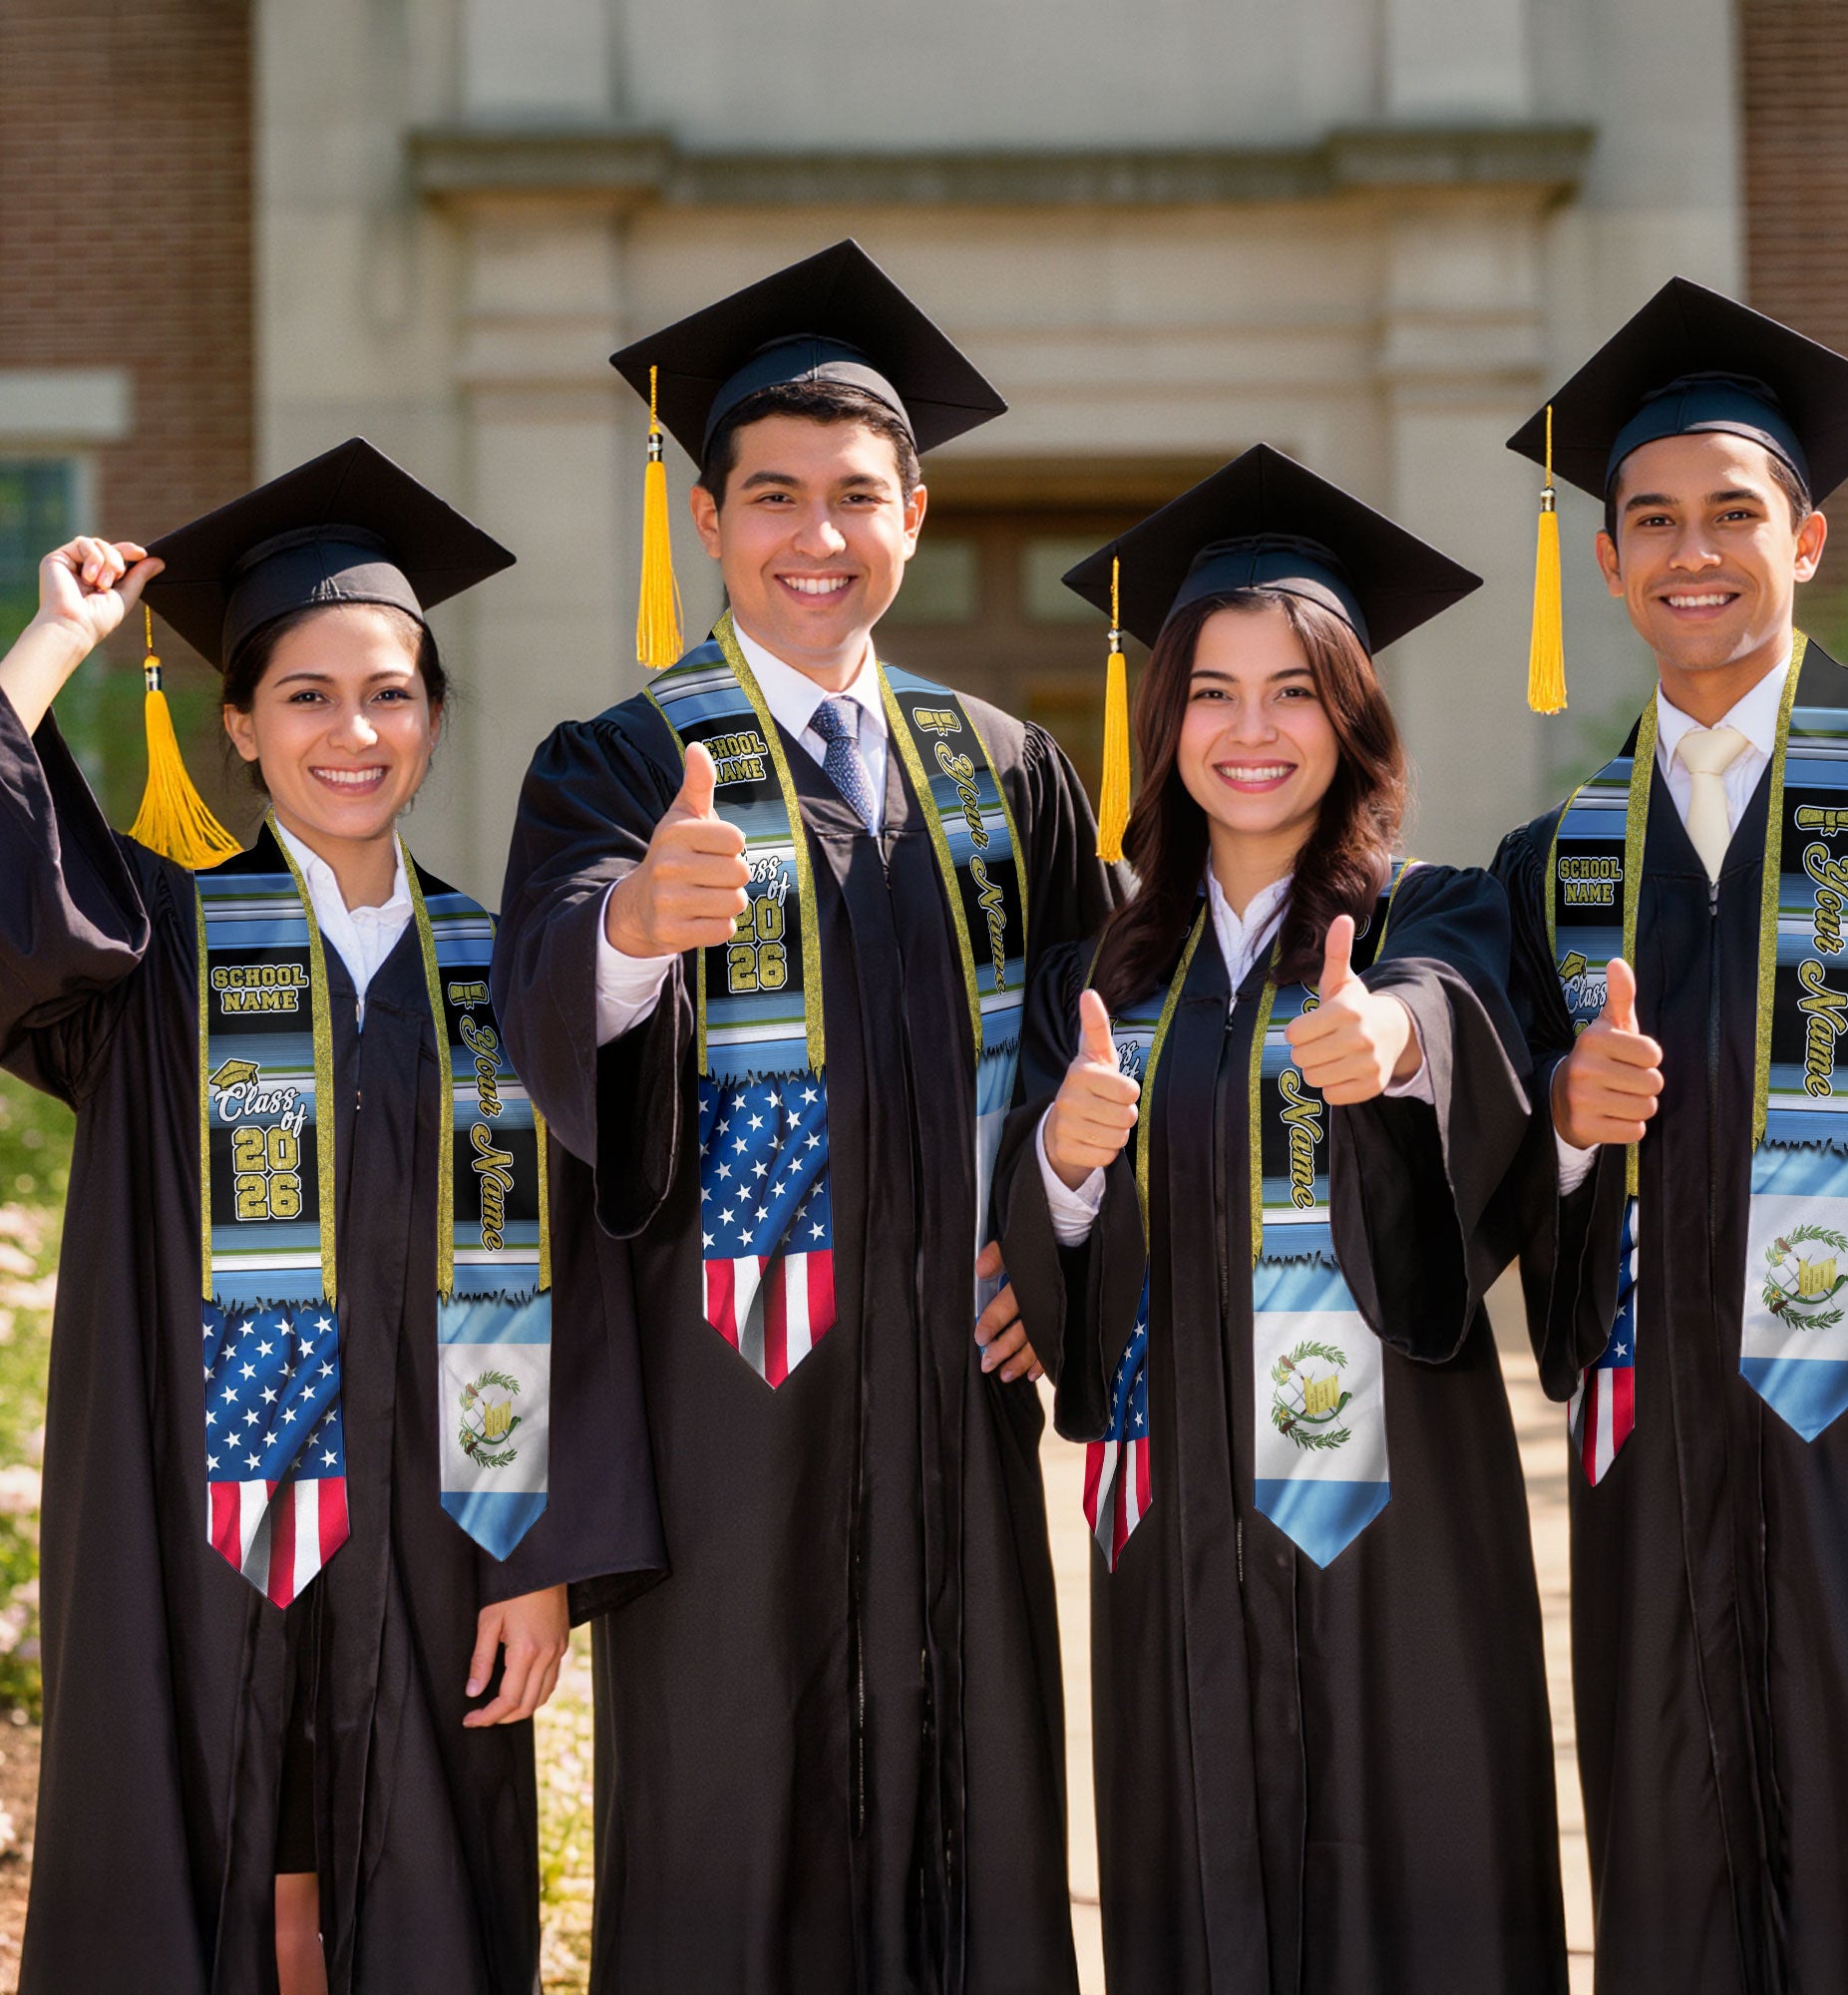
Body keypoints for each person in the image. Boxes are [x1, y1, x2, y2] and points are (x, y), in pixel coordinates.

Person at [494, 240, 1118, 1994]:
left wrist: (1057, 1244)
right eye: (774, 497)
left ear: (915, 513)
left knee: (974, 1819)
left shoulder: (1004, 767)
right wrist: (629, 928)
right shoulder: (619, 763)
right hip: (729, 1412)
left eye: (858, 497)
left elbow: (1108, 1040)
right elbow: (542, 1006)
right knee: (732, 1836)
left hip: (954, 1398)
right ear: (708, 520)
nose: (816, 536)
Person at [0, 439, 662, 1995]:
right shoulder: (151, 947)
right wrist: (53, 645)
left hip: (445, 1538)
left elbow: (588, 1278)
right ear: (237, 724)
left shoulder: (512, 973)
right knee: (198, 1864)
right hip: (191, 1530)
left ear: (433, 717)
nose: (351, 731)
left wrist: (545, 1556)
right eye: (305, 695)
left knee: (422, 1893)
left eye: (391, 692)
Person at [995, 445, 1567, 1994]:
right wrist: (1059, 1157)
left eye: (1297, 690)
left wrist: (1391, 1048)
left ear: (1354, 715)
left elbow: (1457, 1024)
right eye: (1213, 692)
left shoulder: (1434, 914)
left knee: (1422, 1880)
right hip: (1177, 1519)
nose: (1254, 732)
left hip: (1400, 1521)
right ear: (1163, 719)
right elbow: (1049, 1252)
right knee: (1200, 1880)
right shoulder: (1098, 977)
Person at [1494, 278, 1848, 1994]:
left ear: (1809, 537)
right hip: (1657, 1464)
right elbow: (1493, 1173)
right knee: (1677, 1875)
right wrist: (1561, 1125)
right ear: (1612, 560)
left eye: (1732, 514)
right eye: (1650, 521)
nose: (1689, 551)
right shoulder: (1557, 857)